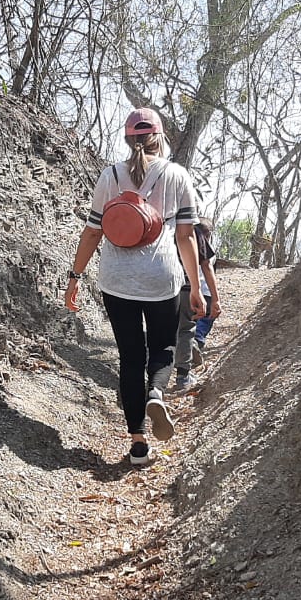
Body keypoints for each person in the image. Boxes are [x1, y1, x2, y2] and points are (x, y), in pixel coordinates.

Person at [63, 108, 205, 465]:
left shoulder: (110, 175)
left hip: (116, 280)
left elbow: (93, 231)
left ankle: (138, 441)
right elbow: (186, 237)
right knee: (164, 349)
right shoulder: (176, 175)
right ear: (160, 136)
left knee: (130, 356)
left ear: (128, 139)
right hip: (162, 279)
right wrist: (196, 287)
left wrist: (74, 277)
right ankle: (155, 391)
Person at [173, 219, 222, 388]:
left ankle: (153, 378)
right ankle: (182, 375)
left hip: (163, 288)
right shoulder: (197, 236)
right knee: (187, 329)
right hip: (190, 290)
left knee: (162, 329)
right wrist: (215, 298)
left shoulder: (168, 228)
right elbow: (207, 266)